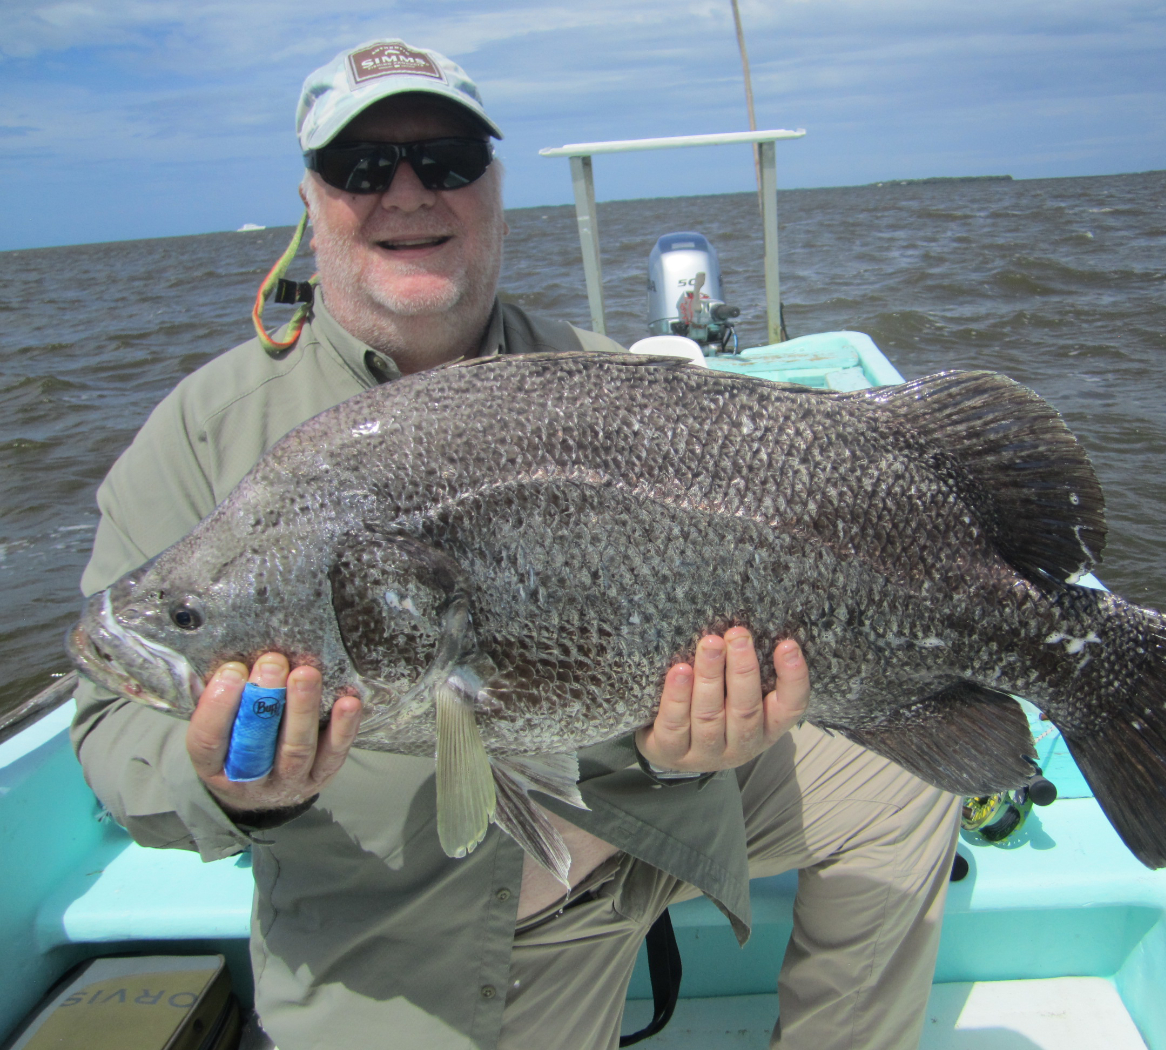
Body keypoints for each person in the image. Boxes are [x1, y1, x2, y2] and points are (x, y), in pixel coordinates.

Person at [70, 38, 961, 1050]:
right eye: (361, 169)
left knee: (902, 781)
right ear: (310, 205)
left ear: (493, 189)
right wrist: (229, 785)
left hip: (653, 817)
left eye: (446, 158)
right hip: (426, 948)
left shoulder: (596, 375)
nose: (407, 192)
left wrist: (698, 747)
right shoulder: (204, 431)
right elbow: (108, 727)